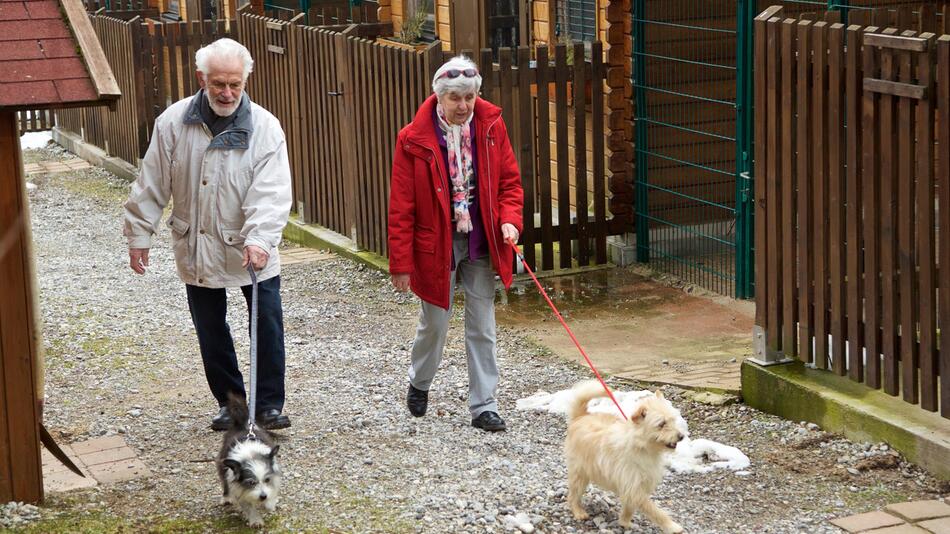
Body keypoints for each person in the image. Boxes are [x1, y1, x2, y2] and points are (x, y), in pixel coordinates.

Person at [123, 38, 293, 431]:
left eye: (235, 84)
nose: (228, 93)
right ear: (202, 79)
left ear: (246, 80)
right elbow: (152, 183)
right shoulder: (173, 122)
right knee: (210, 327)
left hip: (250, 245)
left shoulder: (265, 128)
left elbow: (271, 191)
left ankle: (268, 405)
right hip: (196, 240)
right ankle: (231, 403)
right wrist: (139, 236)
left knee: (266, 322)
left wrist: (260, 239)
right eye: (219, 84)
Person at [388, 55, 524, 432]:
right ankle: (420, 381)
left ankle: (484, 405)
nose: (463, 106)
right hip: (437, 245)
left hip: (482, 240)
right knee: (434, 323)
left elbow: (510, 184)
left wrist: (510, 221)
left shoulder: (492, 125)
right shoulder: (412, 139)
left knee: (482, 324)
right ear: (439, 98)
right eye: (455, 99)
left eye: (469, 97)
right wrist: (400, 262)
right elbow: (401, 205)